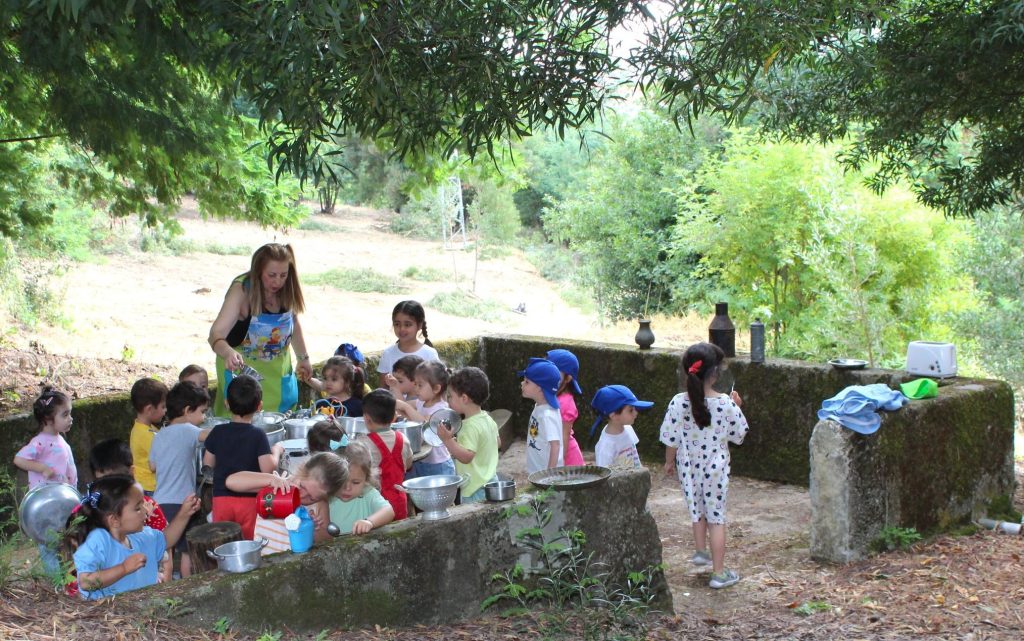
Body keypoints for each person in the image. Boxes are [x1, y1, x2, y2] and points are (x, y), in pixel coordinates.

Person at [660, 342, 748, 590]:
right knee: (716, 518)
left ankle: (700, 552)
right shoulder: (725, 404)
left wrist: (669, 462)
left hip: (688, 469)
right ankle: (719, 574)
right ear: (715, 374)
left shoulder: (678, 402)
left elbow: (670, 438)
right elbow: (739, 435)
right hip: (715, 471)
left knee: (696, 510)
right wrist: (737, 408)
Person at [208, 243, 312, 416]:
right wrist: (227, 352)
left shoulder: (288, 288)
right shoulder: (241, 291)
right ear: (258, 271)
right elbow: (215, 335)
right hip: (244, 384)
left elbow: (293, 321)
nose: (277, 281)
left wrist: (303, 357)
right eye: (271, 275)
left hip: (279, 383)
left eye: (283, 275)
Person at [66, 475, 199, 599]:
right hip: (110, 619)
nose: (145, 511)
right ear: (114, 520)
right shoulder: (98, 542)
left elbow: (166, 540)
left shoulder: (142, 537)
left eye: (143, 504)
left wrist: (184, 514)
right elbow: (85, 581)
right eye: (137, 508)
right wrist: (123, 568)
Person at [203, 375, 283, 539]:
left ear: (226, 404)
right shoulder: (258, 435)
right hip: (249, 501)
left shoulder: (217, 432)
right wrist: (276, 451)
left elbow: (207, 464)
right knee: (247, 544)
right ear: (259, 406)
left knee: (223, 544)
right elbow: (267, 468)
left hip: (221, 499)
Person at [227, 452, 349, 554]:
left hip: (294, 566)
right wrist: (270, 480)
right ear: (301, 469)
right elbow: (231, 482)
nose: (302, 496)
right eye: (302, 486)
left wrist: (313, 528)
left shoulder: (320, 505)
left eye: (311, 498)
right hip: (265, 560)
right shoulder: (277, 486)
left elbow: (325, 538)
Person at [150, 382, 211, 578]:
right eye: (202, 412)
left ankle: (166, 586)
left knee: (166, 551)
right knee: (186, 551)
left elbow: (152, 466)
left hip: (159, 501)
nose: (203, 418)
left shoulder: (159, 435)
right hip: (182, 503)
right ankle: (187, 584)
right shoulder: (188, 429)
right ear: (187, 410)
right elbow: (210, 435)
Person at [13, 388, 78, 574]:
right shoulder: (40, 442)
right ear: (48, 420)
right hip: (46, 506)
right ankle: (56, 581)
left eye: (70, 413)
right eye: (65, 414)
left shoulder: (60, 440)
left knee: (65, 542)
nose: (70, 419)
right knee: (48, 544)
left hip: (63, 502)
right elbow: (19, 459)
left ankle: (68, 578)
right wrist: (41, 468)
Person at [438, 367, 499, 504]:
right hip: (490, 481)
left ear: (464, 398)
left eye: (450, 396)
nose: (448, 401)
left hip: (474, 489)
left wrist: (447, 440)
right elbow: (497, 442)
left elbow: (466, 457)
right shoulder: (487, 418)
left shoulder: (468, 426)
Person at [353, 390, 412, 520]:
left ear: (366, 419)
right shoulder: (404, 439)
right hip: (400, 500)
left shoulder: (364, 443)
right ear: (394, 418)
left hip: (377, 504)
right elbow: (408, 465)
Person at [395, 360, 455, 478]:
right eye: (415, 384)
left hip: (438, 464)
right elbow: (402, 407)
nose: (416, 388)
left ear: (436, 388)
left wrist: (405, 407)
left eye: (420, 385)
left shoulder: (441, 409)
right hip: (421, 460)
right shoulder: (420, 402)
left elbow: (425, 423)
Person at [330, 441, 395, 535]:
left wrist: (369, 522)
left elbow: (388, 511)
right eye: (341, 481)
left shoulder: (368, 493)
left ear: (366, 479)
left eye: (355, 482)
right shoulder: (328, 495)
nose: (347, 488)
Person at [376, 300, 439, 389]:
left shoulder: (429, 354)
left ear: (420, 325)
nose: (402, 329)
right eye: (397, 324)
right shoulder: (388, 354)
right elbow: (383, 389)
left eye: (407, 324)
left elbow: (436, 388)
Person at [590, 385, 653, 469]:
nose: (636, 412)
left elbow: (635, 459)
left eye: (635, 408)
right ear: (614, 415)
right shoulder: (605, 447)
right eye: (631, 410)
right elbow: (604, 477)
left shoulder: (628, 428)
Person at [518, 358, 563, 474]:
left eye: (527, 382)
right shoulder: (540, 406)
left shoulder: (547, 415)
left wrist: (549, 476)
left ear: (540, 387)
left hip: (547, 479)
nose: (522, 383)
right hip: (538, 474)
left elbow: (555, 446)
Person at [546, 348, 586, 466]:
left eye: (553, 372)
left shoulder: (566, 403)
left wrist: (557, 466)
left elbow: (564, 437)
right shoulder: (549, 395)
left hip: (568, 463)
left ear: (568, 378)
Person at [129, 377, 168, 496]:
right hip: (150, 487)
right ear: (149, 409)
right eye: (163, 407)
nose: (165, 411)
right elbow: (155, 464)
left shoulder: (144, 428)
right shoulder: (145, 435)